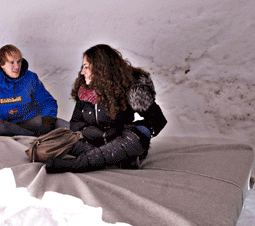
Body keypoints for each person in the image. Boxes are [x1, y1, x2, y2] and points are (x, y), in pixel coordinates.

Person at [45, 44, 167, 173]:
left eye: (86, 67)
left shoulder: (128, 89)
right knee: (60, 131)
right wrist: (90, 133)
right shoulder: (85, 91)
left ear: (100, 69)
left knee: (137, 135)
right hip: (93, 142)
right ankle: (118, 160)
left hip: (121, 141)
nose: (82, 72)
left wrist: (134, 131)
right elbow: (75, 123)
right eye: (83, 67)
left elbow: (158, 120)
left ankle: (77, 164)